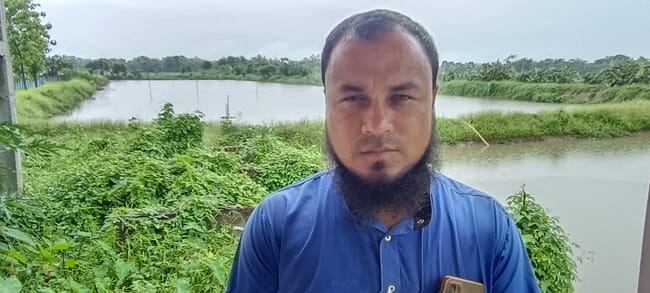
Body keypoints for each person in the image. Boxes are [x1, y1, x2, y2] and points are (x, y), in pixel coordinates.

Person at [226, 9, 540, 293]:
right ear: (327, 101)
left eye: (401, 97)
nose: (376, 125)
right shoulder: (276, 227)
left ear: (431, 100)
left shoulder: (489, 229)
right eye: (352, 98)